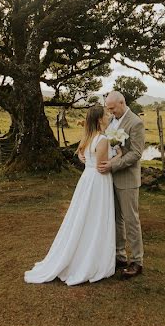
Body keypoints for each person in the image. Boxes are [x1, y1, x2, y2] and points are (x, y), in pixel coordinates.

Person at [24, 105, 121, 286]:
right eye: (106, 115)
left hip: (87, 179)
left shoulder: (88, 137)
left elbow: (81, 156)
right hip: (98, 182)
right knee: (95, 217)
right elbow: (102, 166)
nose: (109, 117)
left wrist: (86, 159)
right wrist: (118, 156)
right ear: (100, 119)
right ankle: (90, 258)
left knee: (84, 216)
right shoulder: (101, 140)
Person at [90, 90, 145, 279]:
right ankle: (120, 256)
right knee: (115, 219)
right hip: (108, 180)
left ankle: (137, 261)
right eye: (109, 109)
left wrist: (112, 166)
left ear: (122, 102)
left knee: (131, 220)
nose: (111, 112)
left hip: (127, 179)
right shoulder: (112, 121)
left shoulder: (135, 123)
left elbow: (136, 154)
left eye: (113, 108)